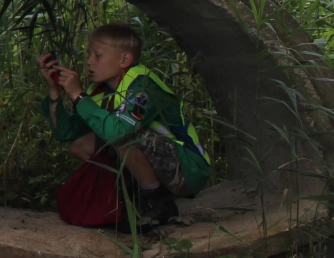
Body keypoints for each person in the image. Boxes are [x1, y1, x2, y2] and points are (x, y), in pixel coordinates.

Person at [39, 24, 210, 228]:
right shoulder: (102, 91)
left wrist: (78, 95)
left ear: (125, 60)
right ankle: (136, 198)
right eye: (89, 54)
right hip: (163, 163)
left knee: (120, 135)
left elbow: (117, 132)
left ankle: (158, 203)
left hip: (187, 168)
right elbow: (65, 133)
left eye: (98, 56)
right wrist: (54, 91)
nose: (89, 62)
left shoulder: (143, 87)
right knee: (79, 144)